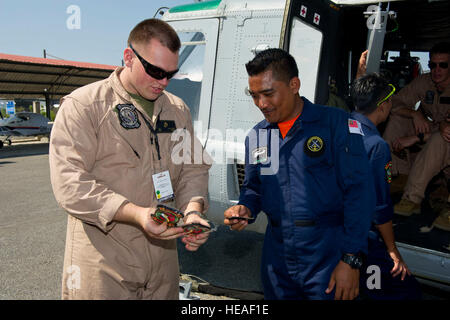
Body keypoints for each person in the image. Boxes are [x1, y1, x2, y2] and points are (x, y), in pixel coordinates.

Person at [49, 19, 212, 300]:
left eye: (170, 74)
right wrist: (137, 214)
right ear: (128, 57)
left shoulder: (177, 110)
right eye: (155, 71)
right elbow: (70, 184)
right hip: (104, 262)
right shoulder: (84, 106)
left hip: (162, 263)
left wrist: (193, 210)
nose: (163, 82)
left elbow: (192, 169)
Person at [224, 48, 374, 300]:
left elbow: (359, 193)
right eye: (255, 95)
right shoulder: (259, 136)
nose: (261, 104)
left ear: (294, 85)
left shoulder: (335, 124)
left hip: (327, 253)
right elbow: (254, 189)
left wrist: (351, 259)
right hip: (277, 257)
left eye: (268, 93)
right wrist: (245, 209)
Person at [350, 73, 421, 299]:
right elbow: (380, 207)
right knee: (403, 290)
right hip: (363, 240)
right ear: (382, 106)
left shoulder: (335, 129)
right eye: (390, 101)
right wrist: (393, 250)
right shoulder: (376, 146)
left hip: (331, 233)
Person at [382, 42, 450, 217]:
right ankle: (398, 176)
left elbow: (446, 132)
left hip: (443, 141)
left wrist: (416, 137)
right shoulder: (424, 82)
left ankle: (412, 197)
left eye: (443, 65)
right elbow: (394, 103)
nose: (437, 70)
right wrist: (414, 114)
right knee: (398, 118)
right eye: (432, 65)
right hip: (435, 131)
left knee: (439, 139)